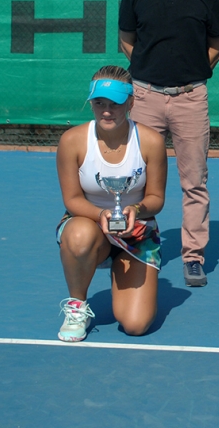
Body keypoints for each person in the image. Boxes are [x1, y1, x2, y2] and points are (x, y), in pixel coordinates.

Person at [118, 0, 219, 288]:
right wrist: (150, 74)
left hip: (191, 99)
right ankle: (139, 244)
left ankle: (193, 256)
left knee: (194, 181)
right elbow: (126, 40)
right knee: (139, 179)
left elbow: (216, 46)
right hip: (145, 97)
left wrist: (189, 75)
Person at [55, 66, 167, 342]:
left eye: (115, 104)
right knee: (79, 235)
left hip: (137, 232)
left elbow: (156, 198)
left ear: (130, 103)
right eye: (99, 103)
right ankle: (77, 306)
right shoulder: (72, 141)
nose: (106, 111)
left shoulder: (151, 141)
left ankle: (124, 271)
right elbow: (71, 200)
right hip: (89, 226)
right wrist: (102, 214)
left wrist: (135, 210)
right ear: (91, 102)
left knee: (136, 325)